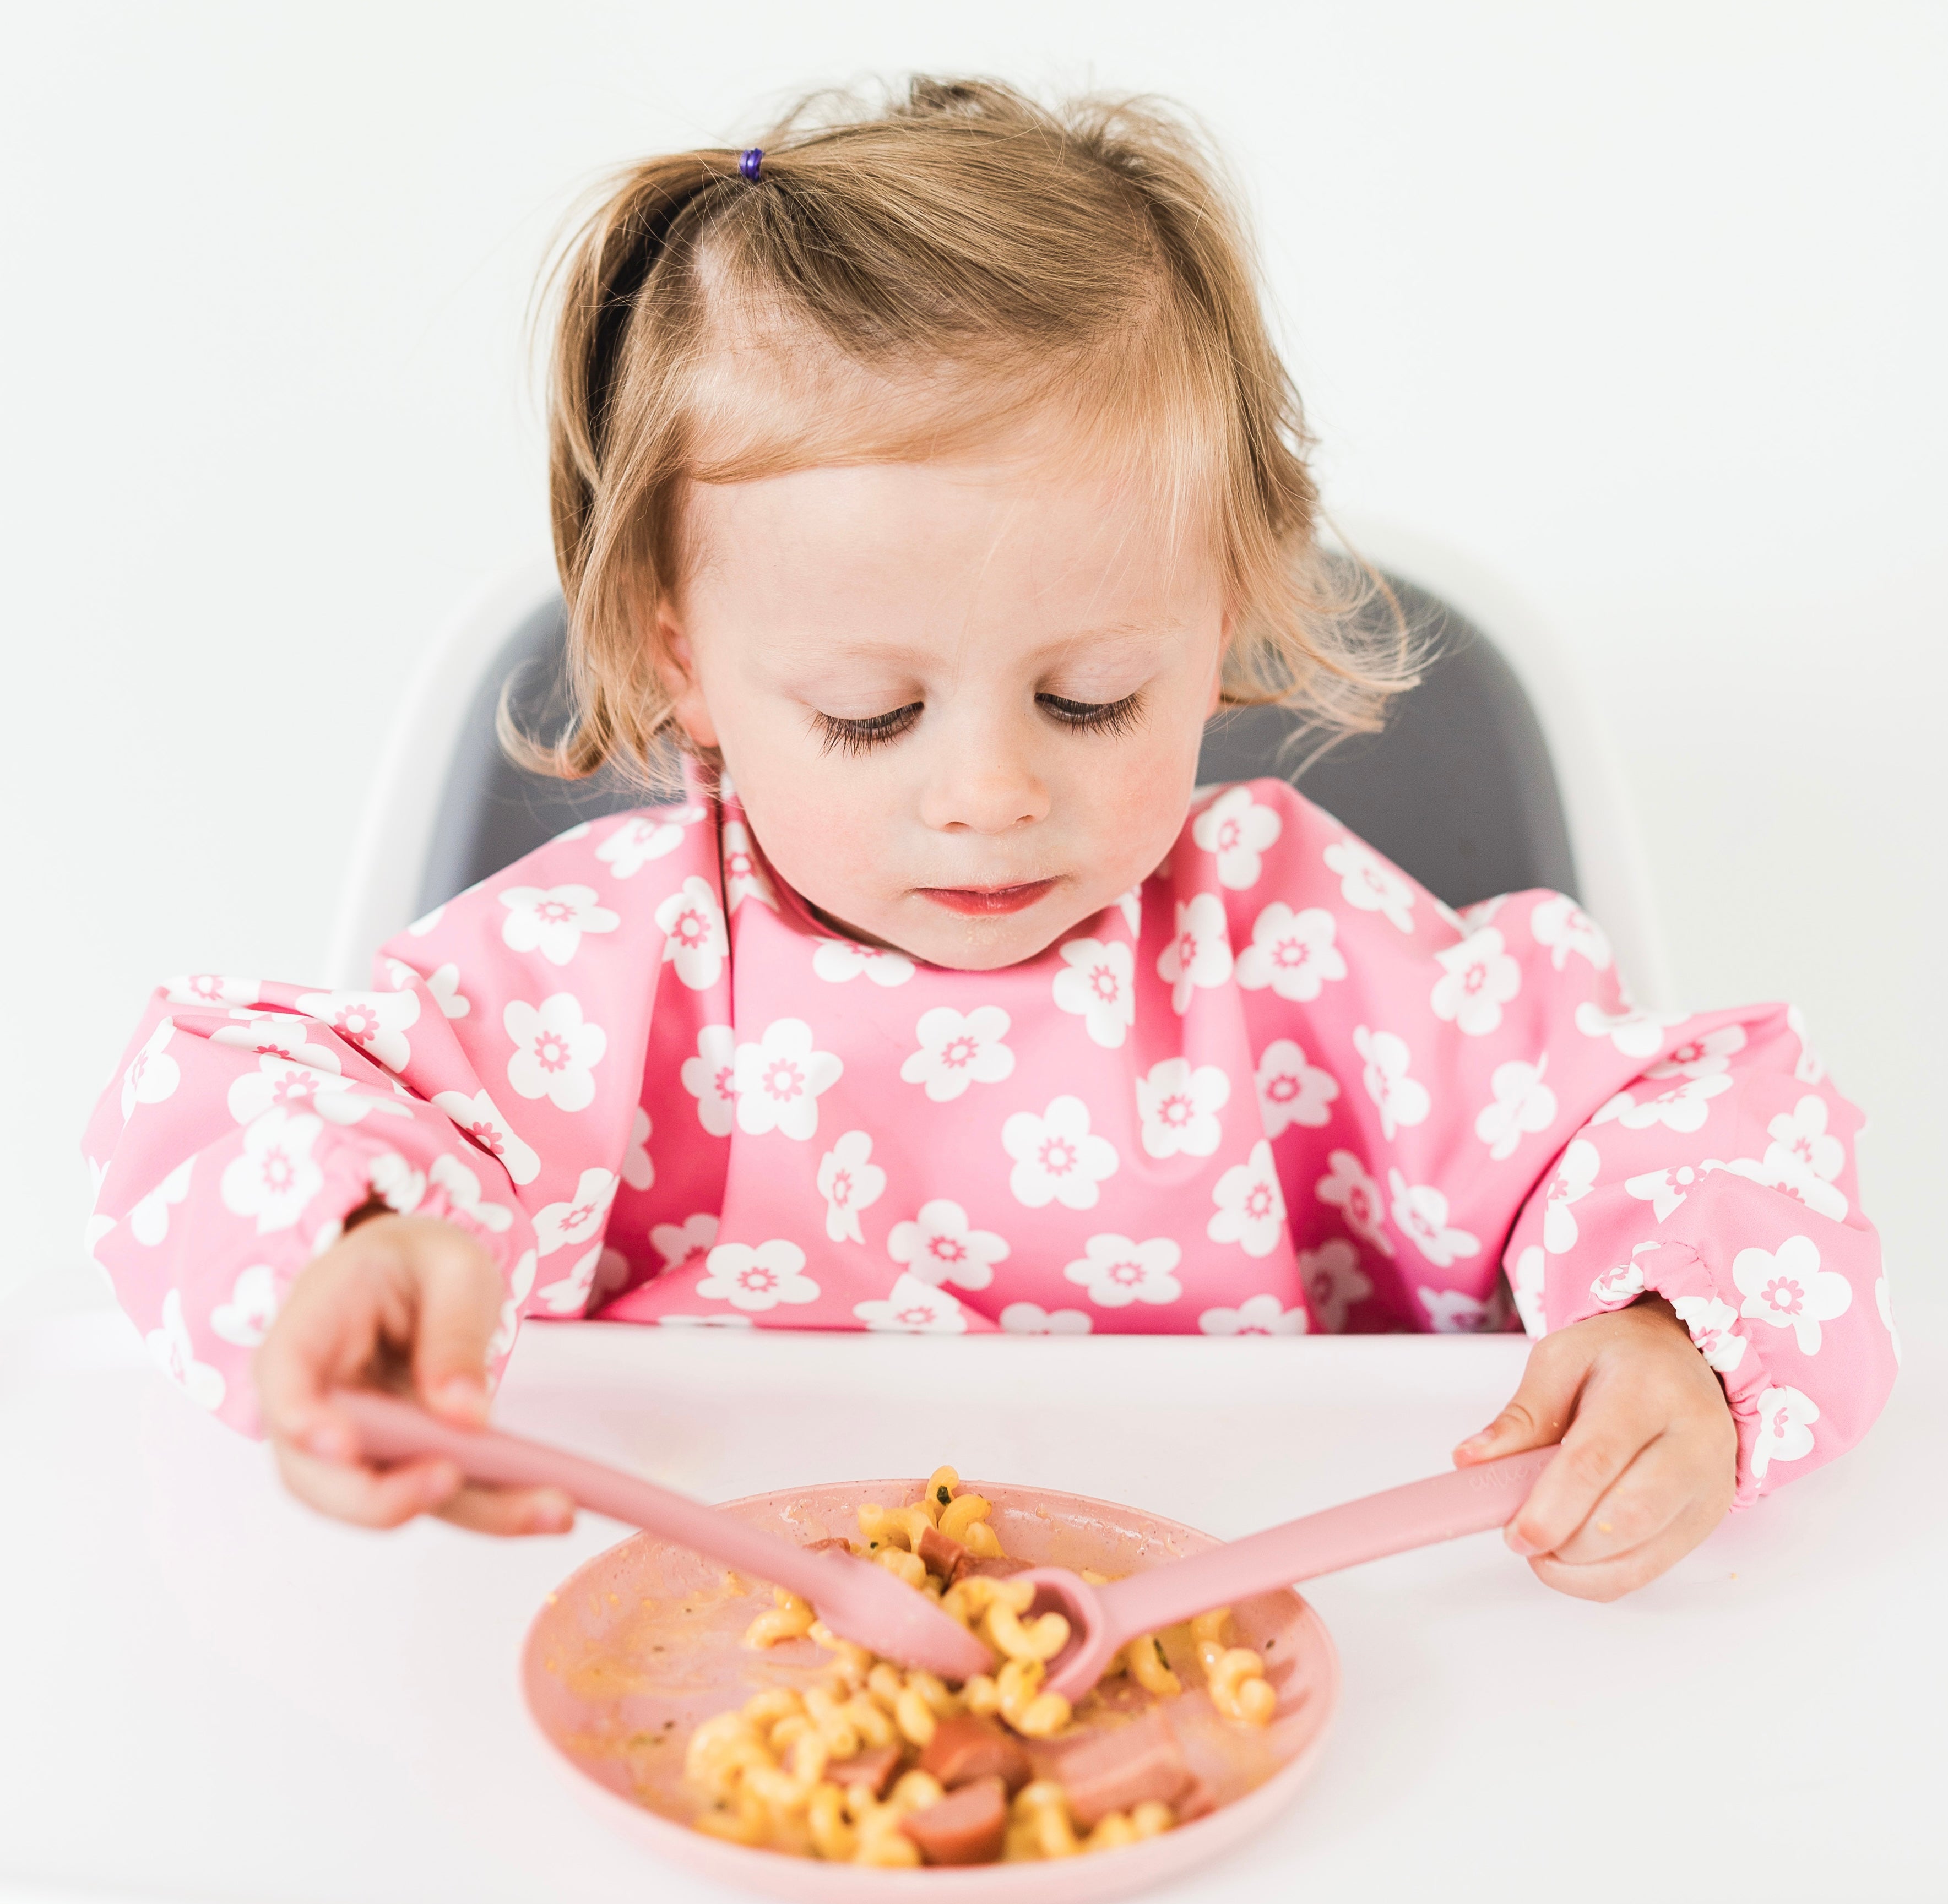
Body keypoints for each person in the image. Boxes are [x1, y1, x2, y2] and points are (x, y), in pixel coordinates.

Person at [83, 79, 1893, 1602]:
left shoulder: (1297, 947)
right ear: (676, 653)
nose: (984, 794)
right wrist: (360, 1243)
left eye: (1092, 694)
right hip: (704, 1700)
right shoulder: (617, 967)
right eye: (869, 714)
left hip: (1280, 1698)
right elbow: (239, 1102)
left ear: (1226, 612)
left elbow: (1682, 1127)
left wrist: (1678, 1332)